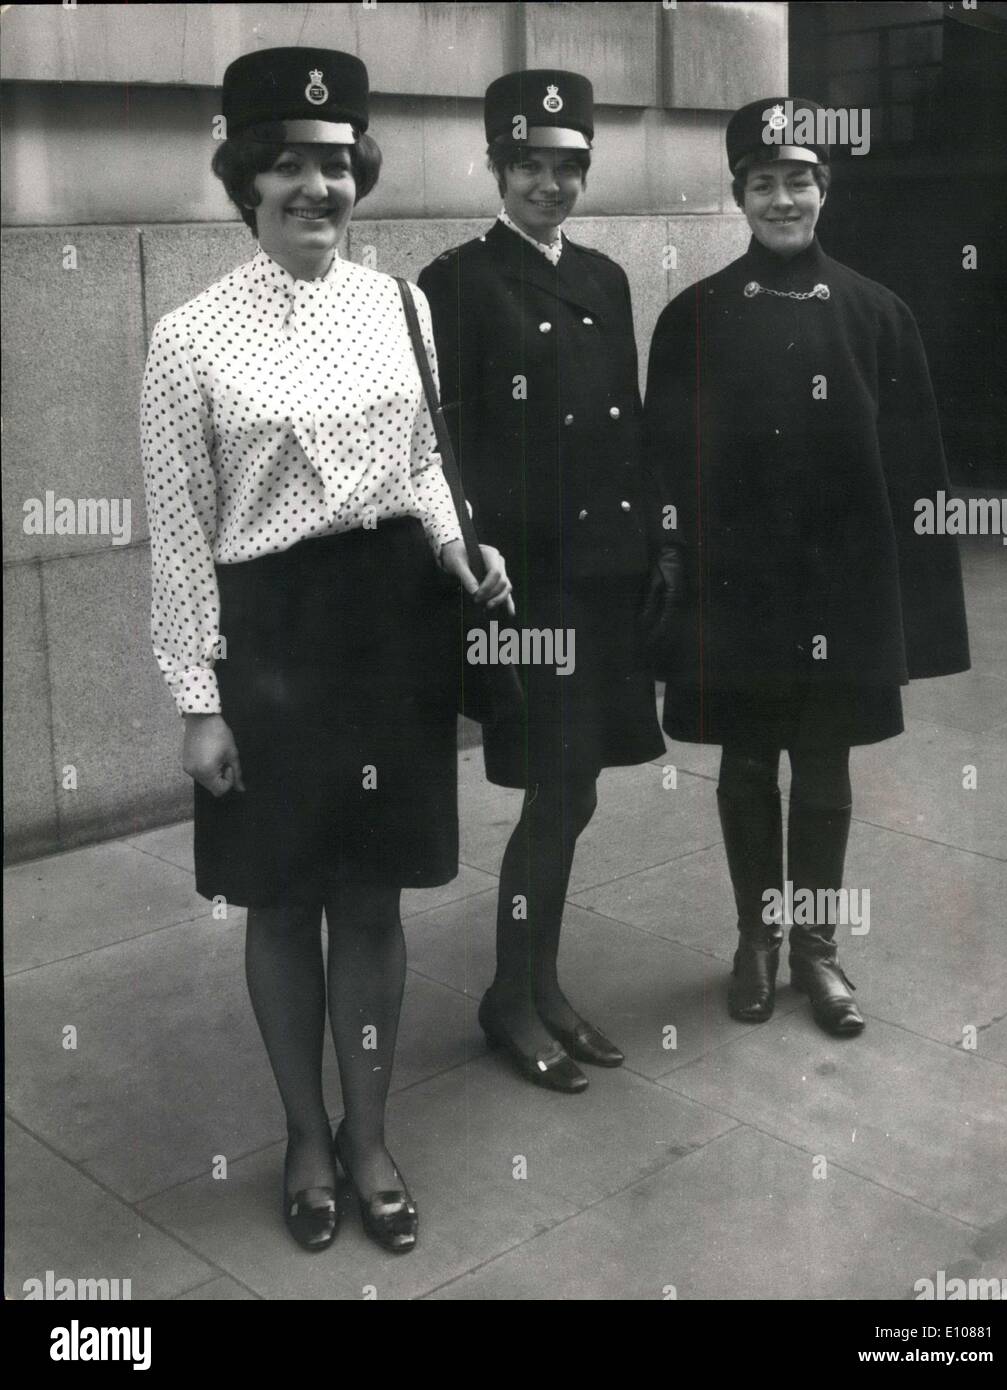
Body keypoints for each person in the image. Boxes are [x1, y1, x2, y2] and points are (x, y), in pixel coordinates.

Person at [140, 46, 511, 1254]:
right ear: (245, 176)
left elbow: (418, 468)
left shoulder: (401, 306)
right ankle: (303, 1136)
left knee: (372, 899)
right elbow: (183, 534)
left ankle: (367, 1132)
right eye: (288, 163)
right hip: (271, 648)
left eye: (337, 163)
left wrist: (460, 551)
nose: (316, 186)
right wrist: (199, 698)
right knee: (280, 897)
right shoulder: (186, 340)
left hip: (387, 632)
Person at [643, 97, 970, 1037]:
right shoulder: (693, 318)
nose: (780, 198)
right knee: (746, 764)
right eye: (762, 182)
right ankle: (754, 939)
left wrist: (915, 610)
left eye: (798, 181)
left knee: (823, 767)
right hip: (731, 591)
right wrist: (665, 566)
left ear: (824, 190)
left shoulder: (878, 314)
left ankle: (815, 949)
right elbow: (662, 460)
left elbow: (915, 470)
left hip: (844, 590)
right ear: (737, 194)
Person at [418, 70, 669, 1094]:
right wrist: (474, 559)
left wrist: (661, 537)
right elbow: (442, 447)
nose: (551, 185)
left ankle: (541, 984)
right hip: (527, 591)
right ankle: (509, 1000)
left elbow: (631, 425)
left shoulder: (605, 278)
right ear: (496, 165)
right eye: (530, 165)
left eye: (568, 167)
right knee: (552, 789)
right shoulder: (455, 283)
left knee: (575, 795)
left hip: (605, 579)